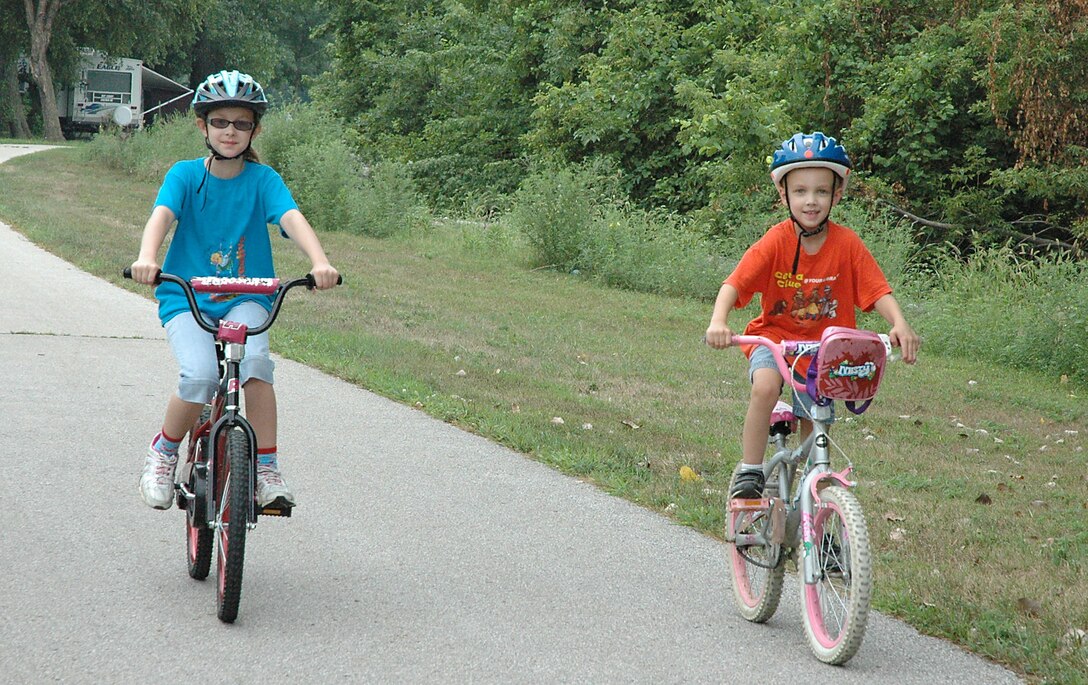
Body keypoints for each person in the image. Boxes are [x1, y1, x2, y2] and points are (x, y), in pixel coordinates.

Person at [129, 70, 340, 511]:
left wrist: (319, 262)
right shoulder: (185, 175)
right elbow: (162, 216)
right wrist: (148, 257)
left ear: (254, 130)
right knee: (200, 375)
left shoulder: (263, 181)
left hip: (246, 296)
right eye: (221, 121)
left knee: (257, 364)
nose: (230, 131)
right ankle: (164, 453)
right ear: (202, 126)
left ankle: (266, 469)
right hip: (186, 295)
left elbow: (291, 218)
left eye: (241, 123)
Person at [705, 131, 920, 499]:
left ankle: (816, 508)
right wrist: (718, 320)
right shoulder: (775, 241)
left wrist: (898, 323)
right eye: (800, 191)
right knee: (766, 387)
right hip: (773, 339)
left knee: (815, 419)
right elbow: (735, 285)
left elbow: (876, 289)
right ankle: (751, 470)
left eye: (821, 191)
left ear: (836, 194)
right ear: (783, 194)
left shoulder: (847, 244)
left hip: (822, 348)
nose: (811, 201)